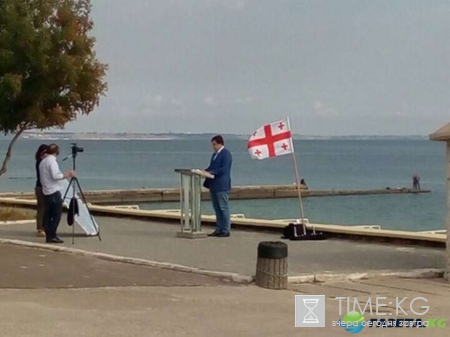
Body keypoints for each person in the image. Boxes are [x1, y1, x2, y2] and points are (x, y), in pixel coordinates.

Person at [39, 144, 76, 243]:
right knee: (56, 215)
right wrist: (67, 174)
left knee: (48, 214)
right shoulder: (52, 162)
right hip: (53, 191)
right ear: (57, 152)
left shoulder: (43, 162)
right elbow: (55, 176)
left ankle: (48, 233)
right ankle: (52, 235)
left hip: (46, 191)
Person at [203, 135, 233, 238]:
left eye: (214, 144)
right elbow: (212, 167)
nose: (213, 146)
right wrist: (204, 171)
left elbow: (224, 169)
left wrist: (212, 172)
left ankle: (226, 229)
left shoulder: (226, 154)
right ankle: (219, 228)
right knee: (216, 208)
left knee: (223, 207)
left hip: (222, 184)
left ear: (220, 143)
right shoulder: (214, 155)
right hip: (213, 184)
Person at [34, 144, 48, 237]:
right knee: (41, 208)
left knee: (45, 208)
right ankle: (40, 228)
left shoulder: (42, 162)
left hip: (43, 187)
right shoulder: (40, 162)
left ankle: (44, 226)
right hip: (40, 187)